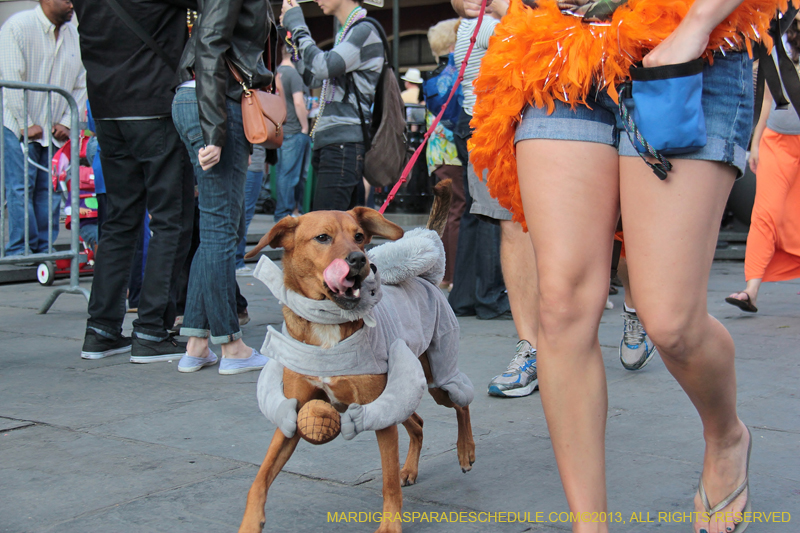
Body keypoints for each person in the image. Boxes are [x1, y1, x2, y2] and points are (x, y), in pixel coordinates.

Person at [463, 0, 776, 529]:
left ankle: (726, 436)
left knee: (671, 322)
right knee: (561, 306)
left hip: (686, 47)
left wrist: (698, 23)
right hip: (556, 52)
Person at [73, 0, 195, 363]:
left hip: (107, 109)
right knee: (171, 218)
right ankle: (151, 329)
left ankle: (101, 329)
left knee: (120, 220)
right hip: (153, 101)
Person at [172, 0, 270, 375]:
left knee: (217, 229)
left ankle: (197, 344)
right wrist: (214, 129)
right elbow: (210, 44)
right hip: (213, 103)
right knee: (220, 233)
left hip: (206, 100)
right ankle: (232, 346)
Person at [0, 0, 86, 257]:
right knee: (20, 187)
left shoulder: (74, 34)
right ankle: (19, 250)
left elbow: (82, 83)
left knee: (48, 189)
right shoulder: (17, 26)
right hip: (18, 125)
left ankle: (43, 249)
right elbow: (11, 78)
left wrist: (68, 123)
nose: (72, 4)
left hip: (55, 128)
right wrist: (26, 123)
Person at [280, 0, 384, 212]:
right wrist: (291, 37)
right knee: (341, 230)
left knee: (327, 229)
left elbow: (322, 67)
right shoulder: (346, 34)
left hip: (343, 144)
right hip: (335, 143)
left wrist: (298, 26)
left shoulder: (364, 31)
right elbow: (313, 78)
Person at [727, 23, 800, 313]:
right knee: (765, 213)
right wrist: (755, 144)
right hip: (776, 141)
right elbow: (768, 99)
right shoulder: (778, 48)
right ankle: (751, 290)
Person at [424, 18, 464, 290]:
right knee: (455, 211)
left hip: (437, 152)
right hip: (451, 151)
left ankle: (444, 274)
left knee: (446, 211)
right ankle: (450, 275)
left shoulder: (434, 74)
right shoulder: (451, 73)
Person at [274, 42, 311, 222]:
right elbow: (298, 102)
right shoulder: (294, 74)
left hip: (280, 130)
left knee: (283, 173)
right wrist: (305, 126)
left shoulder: (276, 73)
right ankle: (286, 213)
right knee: (292, 176)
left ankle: (286, 212)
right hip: (295, 130)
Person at [236, 145, 267, 275]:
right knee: (243, 215)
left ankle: (237, 261)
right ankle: (237, 262)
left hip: (249, 161)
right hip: (250, 162)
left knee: (242, 214)